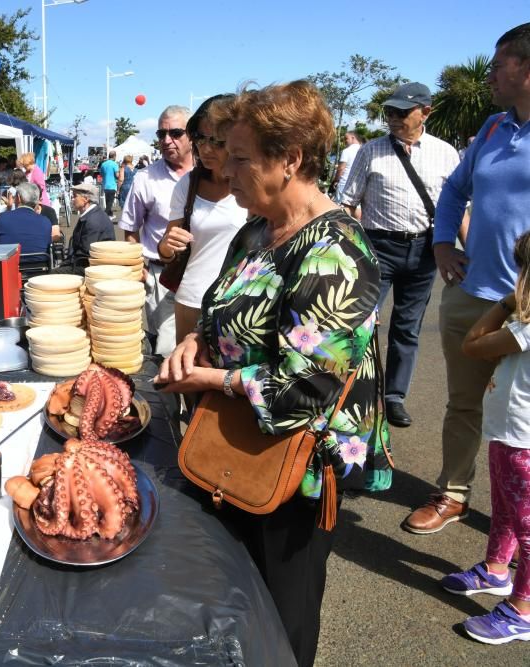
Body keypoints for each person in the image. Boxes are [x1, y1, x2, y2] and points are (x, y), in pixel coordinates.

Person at [156, 81, 389, 667]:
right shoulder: (257, 228)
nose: (223, 170)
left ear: (289, 160)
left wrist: (211, 382)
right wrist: (193, 340)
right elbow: (220, 313)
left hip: (297, 471)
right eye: (222, 153)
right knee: (232, 600)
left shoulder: (335, 251)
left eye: (239, 157)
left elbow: (307, 390)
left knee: (281, 621)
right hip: (236, 447)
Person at [403, 23, 530, 535]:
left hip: (526, 307)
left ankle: (516, 512)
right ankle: (454, 494)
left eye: (500, 65)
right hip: (472, 295)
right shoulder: (495, 128)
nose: (491, 74)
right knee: (464, 404)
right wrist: (440, 246)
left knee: (522, 414)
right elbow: (454, 191)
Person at [340, 82, 460, 428]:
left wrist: (465, 256)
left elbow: (456, 209)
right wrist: (352, 251)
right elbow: (347, 203)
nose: (392, 118)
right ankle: (350, 391)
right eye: (389, 112)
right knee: (359, 322)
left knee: (407, 328)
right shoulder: (371, 151)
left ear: (426, 112)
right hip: (377, 247)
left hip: (424, 251)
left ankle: (394, 396)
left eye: (401, 113)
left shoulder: (445, 154)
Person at [438, 230, 530, 645]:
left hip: (523, 439)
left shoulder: (525, 326)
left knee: (527, 524)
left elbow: (472, 345)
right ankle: (496, 569)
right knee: (507, 511)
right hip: (509, 432)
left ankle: (523, 609)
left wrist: (509, 302)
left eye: (523, 270)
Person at [158, 95, 247, 345]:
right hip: (191, 299)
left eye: (216, 141)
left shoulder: (253, 185)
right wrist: (167, 245)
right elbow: (167, 251)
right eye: (200, 138)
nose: (205, 148)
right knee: (187, 377)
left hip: (239, 307)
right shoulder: (188, 184)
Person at [119, 105, 196, 355]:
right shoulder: (145, 178)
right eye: (161, 134)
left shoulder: (212, 174)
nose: (166, 140)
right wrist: (138, 269)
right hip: (163, 278)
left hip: (208, 275)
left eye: (175, 133)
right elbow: (130, 229)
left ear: (192, 134)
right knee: (166, 351)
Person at [55, 182, 115, 270]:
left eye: (75, 196)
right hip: (86, 264)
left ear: (86, 199)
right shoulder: (91, 215)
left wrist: (65, 265)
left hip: (92, 268)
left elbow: (85, 253)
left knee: (50, 276)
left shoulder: (93, 220)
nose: (72, 199)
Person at [0, 181, 52, 256]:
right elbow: (48, 247)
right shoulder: (45, 221)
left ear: (19, 198)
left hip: (9, 266)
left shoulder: (2, 218)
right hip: (40, 265)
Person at [332, 130, 362, 197]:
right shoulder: (364, 149)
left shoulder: (347, 151)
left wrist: (336, 180)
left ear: (353, 138)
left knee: (341, 206)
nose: (345, 141)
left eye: (346, 139)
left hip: (344, 183)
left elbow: (341, 168)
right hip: (359, 185)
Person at [99, 150, 119, 216]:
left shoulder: (103, 164)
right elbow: (117, 175)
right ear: (114, 156)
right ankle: (104, 214)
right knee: (110, 202)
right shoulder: (115, 164)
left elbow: (101, 174)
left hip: (105, 185)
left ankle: (110, 214)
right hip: (112, 185)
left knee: (108, 201)